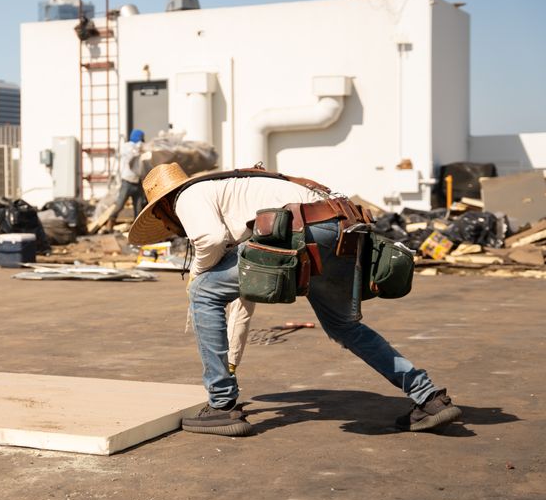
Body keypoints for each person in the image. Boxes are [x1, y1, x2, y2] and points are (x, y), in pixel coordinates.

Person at [129, 162, 462, 437]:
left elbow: (209, 238)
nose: (170, 228)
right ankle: (429, 398)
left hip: (302, 230)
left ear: (162, 207)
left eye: (163, 221)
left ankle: (221, 406)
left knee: (203, 292)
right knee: (345, 326)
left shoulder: (187, 195)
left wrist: (199, 277)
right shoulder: (237, 187)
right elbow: (244, 285)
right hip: (342, 229)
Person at [108, 129, 147, 227]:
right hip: (127, 182)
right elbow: (132, 154)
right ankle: (110, 222)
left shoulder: (141, 148)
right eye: (141, 138)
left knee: (138, 209)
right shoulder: (127, 146)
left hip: (138, 182)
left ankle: (137, 229)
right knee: (120, 205)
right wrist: (140, 148)